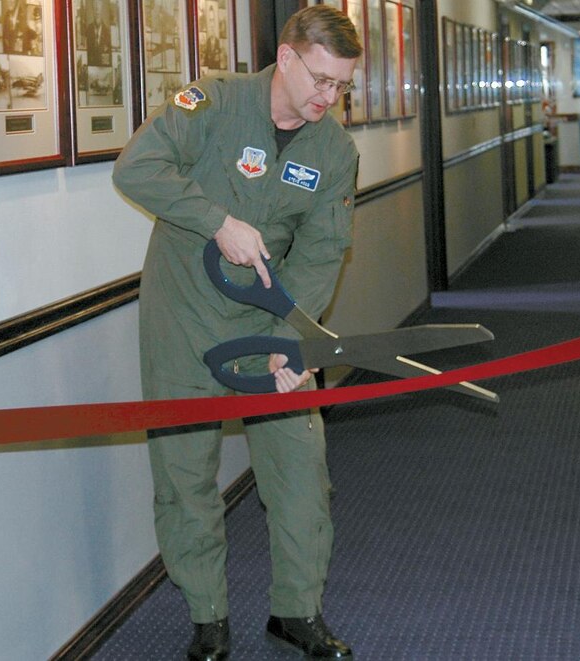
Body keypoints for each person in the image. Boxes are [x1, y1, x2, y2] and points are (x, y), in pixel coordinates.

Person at [112, 6, 361, 659]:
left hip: (265, 326)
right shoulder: (213, 103)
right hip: (183, 319)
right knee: (185, 475)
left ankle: (296, 612)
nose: (327, 97)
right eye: (321, 79)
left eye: (341, 86)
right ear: (286, 58)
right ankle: (208, 617)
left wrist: (292, 337)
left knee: (301, 469)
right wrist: (215, 219)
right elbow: (135, 167)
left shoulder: (334, 149)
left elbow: (321, 252)